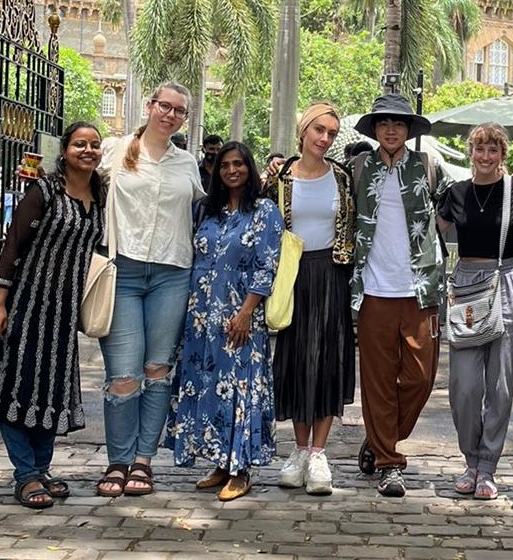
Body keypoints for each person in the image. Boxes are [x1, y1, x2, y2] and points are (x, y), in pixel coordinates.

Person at [0, 122, 106, 509]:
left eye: (95, 145)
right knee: (16, 385)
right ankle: (25, 474)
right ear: (64, 151)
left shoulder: (100, 194)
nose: (88, 150)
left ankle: (41, 469)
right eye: (80, 144)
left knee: (51, 388)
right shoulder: (45, 190)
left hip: (63, 314)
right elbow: (14, 245)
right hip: (26, 304)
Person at [95, 81, 204, 499]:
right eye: (165, 106)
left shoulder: (187, 163)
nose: (171, 115)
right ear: (149, 106)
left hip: (173, 273)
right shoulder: (115, 150)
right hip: (122, 270)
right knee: (123, 376)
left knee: (156, 371)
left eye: (179, 111)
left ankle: (143, 461)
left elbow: (202, 212)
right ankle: (118, 460)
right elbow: (73, 175)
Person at [166, 141, 284, 501]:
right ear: (216, 171)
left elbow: (268, 266)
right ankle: (221, 462)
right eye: (225, 165)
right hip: (202, 319)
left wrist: (247, 311)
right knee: (209, 386)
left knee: (240, 389)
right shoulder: (207, 212)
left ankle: (241, 468)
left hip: (240, 315)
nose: (232, 170)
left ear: (249, 168)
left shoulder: (264, 211)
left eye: (239, 164)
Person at [350, 92, 447, 498]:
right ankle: (390, 462)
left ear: (409, 130)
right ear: (374, 129)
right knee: (376, 382)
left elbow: (450, 218)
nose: (391, 130)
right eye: (384, 123)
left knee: (420, 378)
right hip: (372, 290)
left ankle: (379, 438)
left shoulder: (428, 167)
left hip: (418, 287)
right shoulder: (357, 168)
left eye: (399, 124)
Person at [436, 122, 513, 501]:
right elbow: (433, 233)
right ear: (471, 152)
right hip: (467, 284)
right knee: (464, 385)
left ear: (502, 156)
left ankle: (487, 466)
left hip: (505, 280)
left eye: (493, 150)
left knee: (500, 384)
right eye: (480, 149)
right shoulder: (455, 193)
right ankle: (469, 458)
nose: (486, 157)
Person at [271, 103, 356, 496]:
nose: (324, 138)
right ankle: (299, 449)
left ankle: (319, 451)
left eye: (332, 133)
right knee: (294, 359)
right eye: (319, 130)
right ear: (303, 131)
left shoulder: (341, 177)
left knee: (327, 360)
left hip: (331, 273)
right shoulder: (280, 178)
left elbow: (353, 226)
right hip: (292, 274)